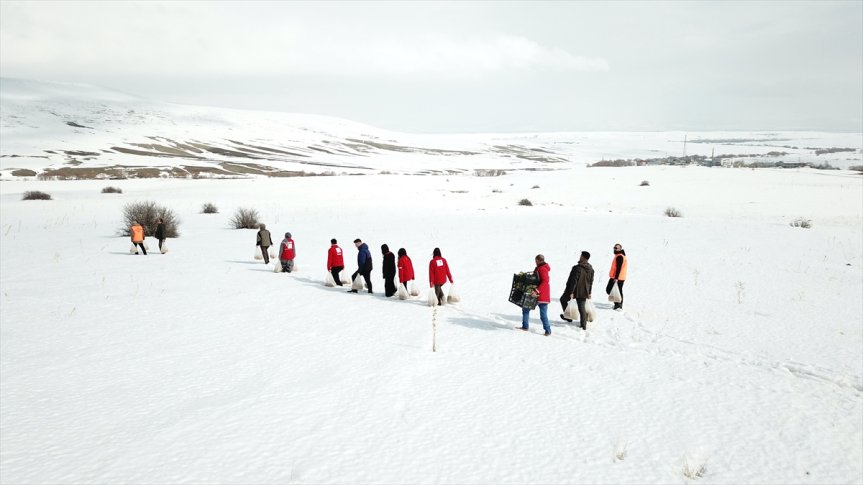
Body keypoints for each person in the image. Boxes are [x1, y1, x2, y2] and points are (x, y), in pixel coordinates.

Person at [560, 251, 595, 329]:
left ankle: (568, 317)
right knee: (581, 307)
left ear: (583, 257)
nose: (580, 257)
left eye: (581, 256)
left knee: (563, 299)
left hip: (574, 289)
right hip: (584, 290)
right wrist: (589, 292)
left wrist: (571, 291)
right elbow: (591, 281)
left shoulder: (577, 268)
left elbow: (573, 281)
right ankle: (583, 325)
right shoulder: (591, 269)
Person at [519, 254, 551, 336]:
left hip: (540, 295)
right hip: (541, 295)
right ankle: (547, 331)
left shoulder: (542, 269)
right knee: (528, 309)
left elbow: (545, 281)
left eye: (536, 261)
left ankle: (526, 327)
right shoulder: (540, 268)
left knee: (528, 309)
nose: (535, 262)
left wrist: (536, 291)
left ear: (540, 260)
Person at [606, 243, 627, 310]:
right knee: (617, 290)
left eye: (616, 248)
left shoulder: (620, 256)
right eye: (614, 247)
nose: (614, 249)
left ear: (620, 249)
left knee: (609, 289)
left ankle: (618, 304)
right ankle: (618, 304)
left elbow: (619, 268)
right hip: (620, 277)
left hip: (617, 277)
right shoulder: (620, 255)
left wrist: (616, 278)